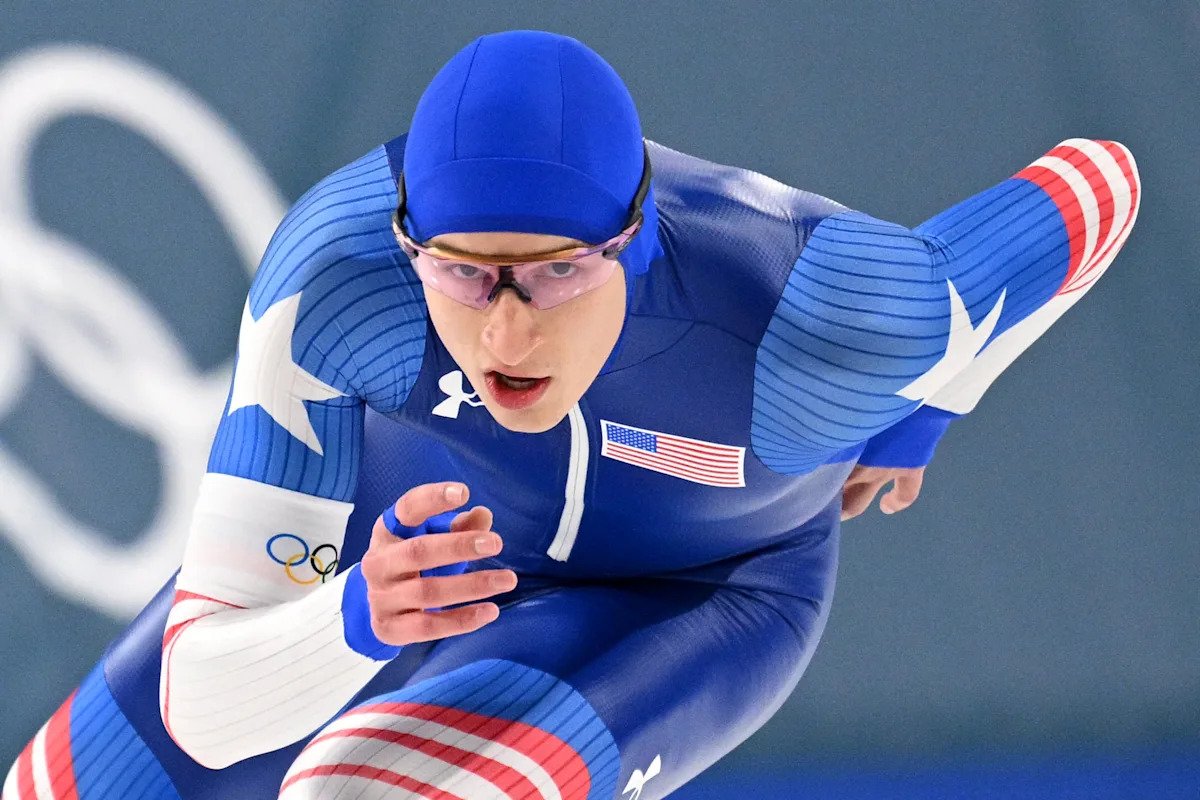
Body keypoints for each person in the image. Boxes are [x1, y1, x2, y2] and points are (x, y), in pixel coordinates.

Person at [3, 28, 1139, 800]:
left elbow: (1100, 184)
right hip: (397, 560)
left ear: (633, 244)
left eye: (553, 274)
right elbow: (201, 704)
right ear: (407, 247)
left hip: (689, 599)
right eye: (459, 274)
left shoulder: (828, 321)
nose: (506, 333)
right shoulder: (336, 279)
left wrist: (935, 394)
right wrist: (352, 614)